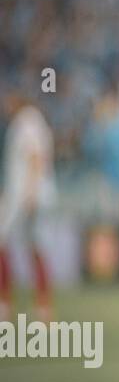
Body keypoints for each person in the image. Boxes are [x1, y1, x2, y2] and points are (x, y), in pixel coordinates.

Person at [0, 93, 56, 324]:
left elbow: (36, 158)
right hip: (24, 196)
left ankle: (6, 304)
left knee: (13, 244)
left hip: (25, 197)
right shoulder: (31, 121)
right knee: (35, 247)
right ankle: (42, 308)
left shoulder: (28, 122)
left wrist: (32, 192)